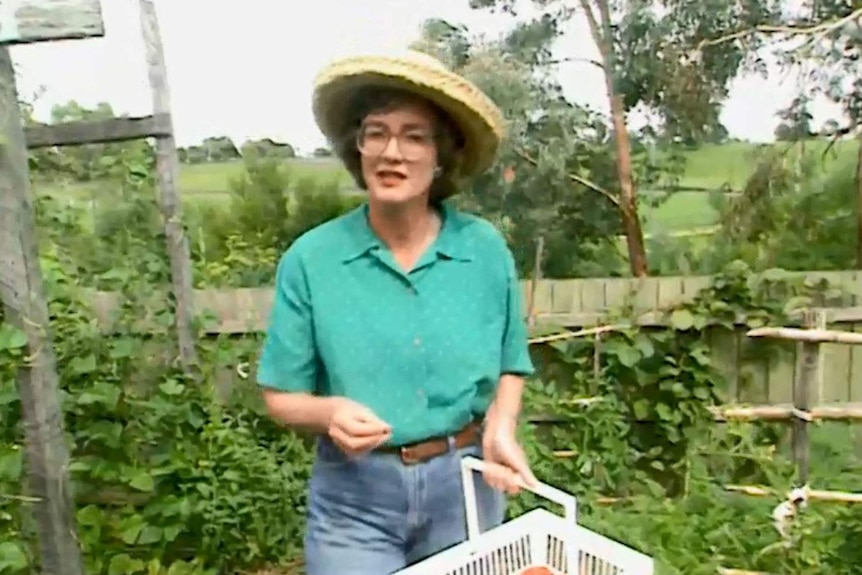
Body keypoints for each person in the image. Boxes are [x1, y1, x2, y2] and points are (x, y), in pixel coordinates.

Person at [256, 49, 536, 575]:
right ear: (356, 147)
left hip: (465, 490)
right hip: (355, 500)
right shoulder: (313, 260)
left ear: (441, 155)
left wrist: (501, 428)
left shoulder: (483, 251)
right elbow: (280, 396)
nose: (392, 152)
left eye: (414, 136)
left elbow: (510, 362)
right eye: (376, 132)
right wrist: (330, 412)